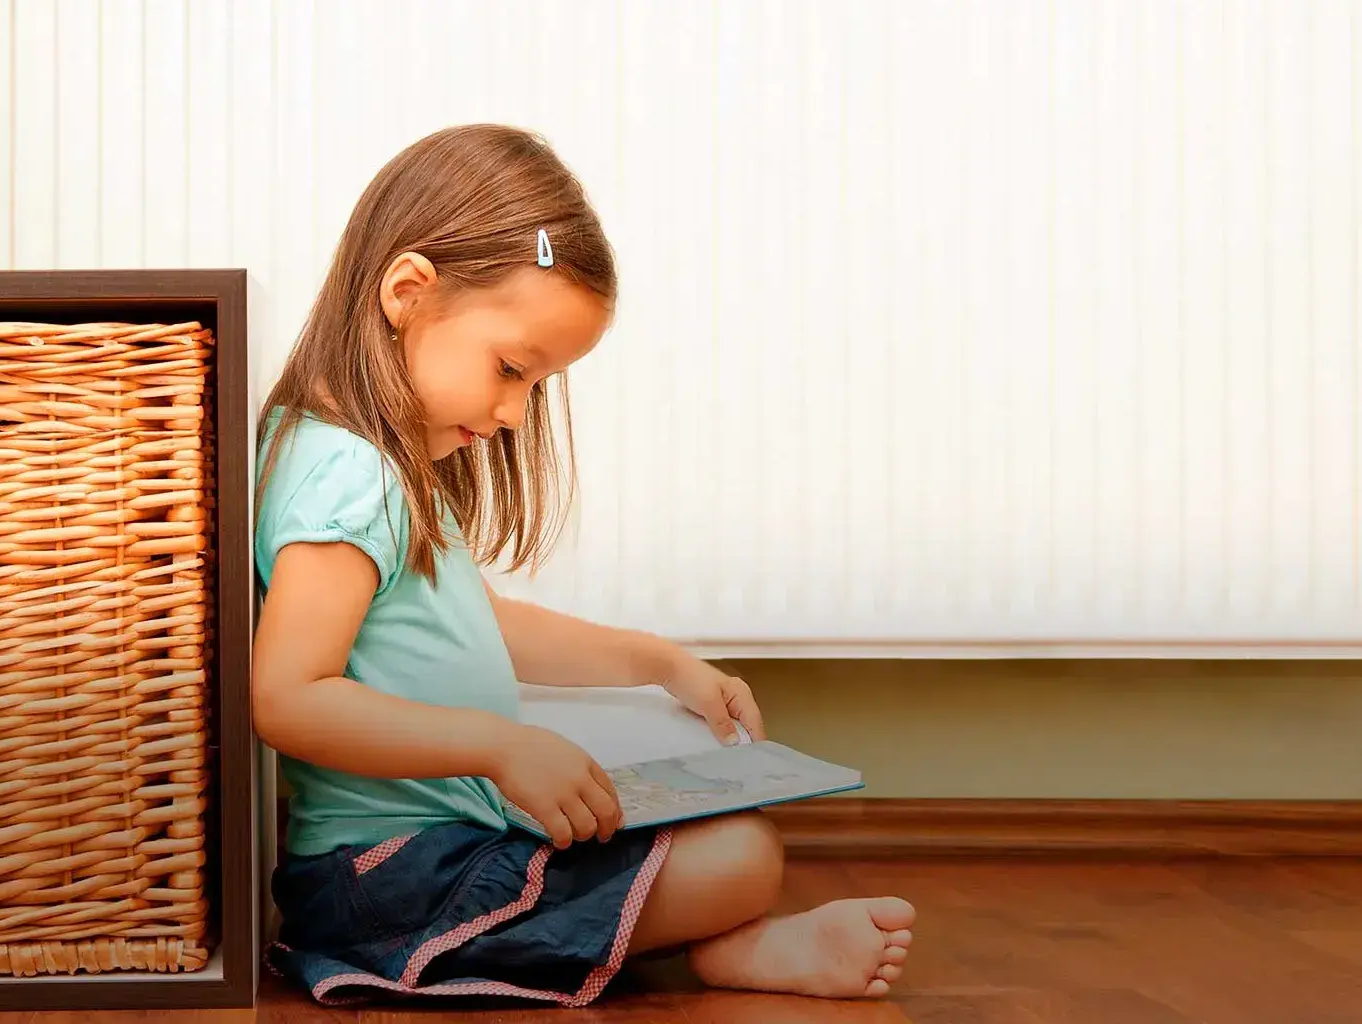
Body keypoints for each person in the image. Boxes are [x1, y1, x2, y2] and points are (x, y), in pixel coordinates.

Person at [253, 123, 916, 1008]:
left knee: (719, 833)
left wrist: (655, 661)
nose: (517, 413)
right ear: (408, 292)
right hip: (391, 879)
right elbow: (289, 694)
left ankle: (716, 942)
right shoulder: (349, 475)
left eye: (536, 386)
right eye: (512, 369)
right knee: (742, 855)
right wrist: (500, 746)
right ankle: (727, 945)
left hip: (431, 849)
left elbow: (477, 623)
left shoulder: (366, 459)